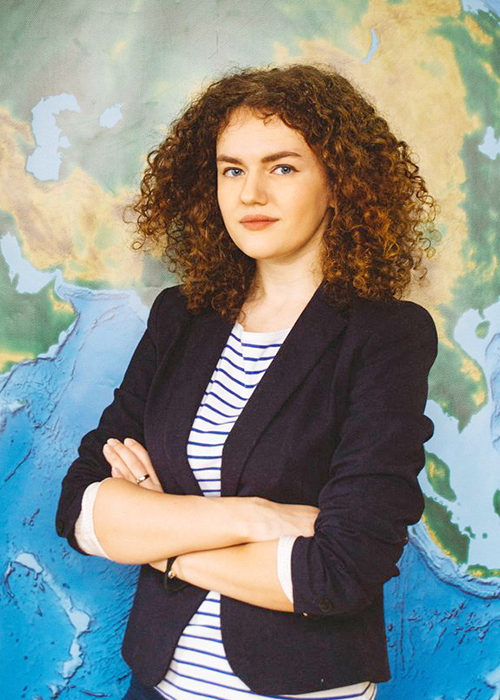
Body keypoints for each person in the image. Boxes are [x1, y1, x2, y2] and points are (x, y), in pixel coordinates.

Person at [55, 63, 439, 700]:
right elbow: (79, 507)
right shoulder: (181, 317)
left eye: (282, 167)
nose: (250, 193)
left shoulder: (387, 335)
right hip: (157, 684)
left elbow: (339, 571)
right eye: (232, 170)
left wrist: (158, 540)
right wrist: (256, 518)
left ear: (339, 184)